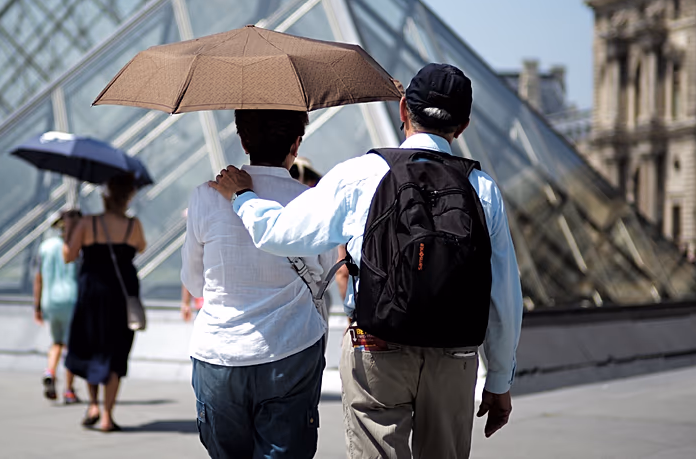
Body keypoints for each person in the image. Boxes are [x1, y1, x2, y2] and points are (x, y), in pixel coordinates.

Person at [213, 63, 523, 459]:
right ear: (461, 126)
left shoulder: (362, 174)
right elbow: (505, 298)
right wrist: (498, 380)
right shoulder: (483, 190)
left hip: (376, 349)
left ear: (403, 110)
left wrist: (243, 197)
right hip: (454, 356)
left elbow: (281, 234)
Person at [183, 110, 336, 459]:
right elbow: (324, 275)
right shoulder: (311, 201)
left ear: (243, 140)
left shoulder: (205, 197)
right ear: (296, 145)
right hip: (292, 348)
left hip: (219, 355)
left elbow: (194, 284)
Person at [63, 173, 147, 433]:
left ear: (105, 196)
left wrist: (70, 229)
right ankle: (108, 416)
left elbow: (69, 255)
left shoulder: (89, 223)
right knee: (115, 353)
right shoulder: (134, 225)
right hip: (121, 297)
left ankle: (93, 405)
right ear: (127, 198)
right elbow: (140, 247)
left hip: (92, 294)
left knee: (90, 348)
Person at [35, 209, 82, 403]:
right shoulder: (76, 248)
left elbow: (38, 278)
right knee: (72, 346)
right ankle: (69, 389)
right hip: (71, 298)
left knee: (56, 342)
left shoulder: (45, 247)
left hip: (49, 299)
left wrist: (36, 306)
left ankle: (50, 371)